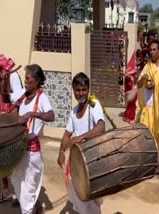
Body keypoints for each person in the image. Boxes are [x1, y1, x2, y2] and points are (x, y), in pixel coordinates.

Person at [57, 72, 105, 214]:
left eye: (84, 89)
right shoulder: (74, 112)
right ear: (73, 91)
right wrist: (61, 152)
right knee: (79, 198)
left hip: (92, 160)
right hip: (77, 163)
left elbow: (101, 127)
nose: (81, 93)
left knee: (90, 201)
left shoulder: (94, 105)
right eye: (78, 90)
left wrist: (80, 138)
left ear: (88, 90)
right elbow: (67, 135)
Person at [11, 64, 55, 214]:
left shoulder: (42, 98)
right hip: (19, 149)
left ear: (36, 81)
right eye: (25, 79)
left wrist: (32, 114)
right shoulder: (24, 96)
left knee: (29, 187)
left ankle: (29, 210)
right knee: (17, 181)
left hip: (32, 152)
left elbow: (51, 115)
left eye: (28, 79)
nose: (25, 82)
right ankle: (34, 208)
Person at [0, 54, 25, 205]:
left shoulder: (12, 76)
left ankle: (18, 195)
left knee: (13, 159)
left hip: (10, 123)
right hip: (1, 120)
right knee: (0, 159)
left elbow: (16, 99)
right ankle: (4, 192)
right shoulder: (1, 77)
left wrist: (4, 83)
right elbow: (0, 100)